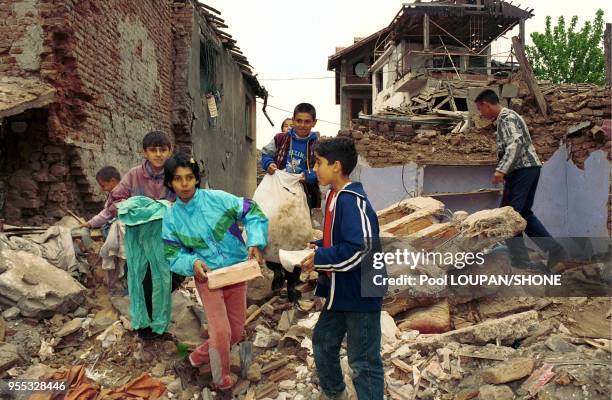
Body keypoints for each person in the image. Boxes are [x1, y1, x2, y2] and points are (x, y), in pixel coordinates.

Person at [161, 152, 268, 391]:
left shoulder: (218, 199)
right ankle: (222, 383)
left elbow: (252, 211)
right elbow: (171, 255)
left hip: (237, 272)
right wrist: (192, 264)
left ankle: (191, 361)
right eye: (178, 179)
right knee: (220, 333)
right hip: (207, 278)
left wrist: (255, 242)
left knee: (236, 333)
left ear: (197, 179)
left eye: (189, 177)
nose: (185, 183)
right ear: (170, 182)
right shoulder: (171, 218)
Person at [301, 137, 384, 400]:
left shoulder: (352, 200)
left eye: (319, 163)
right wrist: (318, 247)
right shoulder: (334, 196)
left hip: (362, 290)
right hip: (341, 289)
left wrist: (321, 258)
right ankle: (336, 393)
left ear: (336, 166)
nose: (314, 168)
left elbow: (362, 248)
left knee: (363, 362)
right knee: (324, 342)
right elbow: (340, 239)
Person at [475, 89, 566, 271]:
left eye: (480, 109)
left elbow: (515, 144)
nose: (480, 114)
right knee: (522, 213)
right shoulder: (506, 118)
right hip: (528, 169)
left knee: (508, 216)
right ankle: (554, 251)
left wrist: (501, 169)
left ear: (486, 104)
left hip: (522, 170)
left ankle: (521, 261)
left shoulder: (507, 118)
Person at [106, 130, 180, 339]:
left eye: (162, 150)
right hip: (137, 237)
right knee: (138, 279)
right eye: (153, 150)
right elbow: (115, 202)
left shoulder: (174, 174)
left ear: (169, 151)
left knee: (166, 279)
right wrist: (139, 207)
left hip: (165, 236)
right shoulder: (134, 174)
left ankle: (160, 325)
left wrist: (167, 207)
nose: (158, 154)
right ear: (144, 152)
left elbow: (185, 200)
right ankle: (142, 326)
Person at [261, 103, 321, 301]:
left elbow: (321, 168)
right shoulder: (281, 139)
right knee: (274, 231)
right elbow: (267, 153)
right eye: (299, 121)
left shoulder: (318, 145)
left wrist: (310, 176)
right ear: (293, 120)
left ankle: (293, 281)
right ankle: (276, 270)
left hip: (302, 196)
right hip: (278, 193)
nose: (302, 125)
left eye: (307, 122)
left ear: (314, 123)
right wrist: (268, 164)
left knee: (298, 237)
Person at [81, 166, 125, 294]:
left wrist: (90, 224)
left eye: (103, 185)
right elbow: (107, 213)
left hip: (127, 229)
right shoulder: (115, 193)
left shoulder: (121, 193)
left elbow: (107, 214)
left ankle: (119, 284)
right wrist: (90, 223)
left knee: (114, 252)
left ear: (112, 181)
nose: (101, 189)